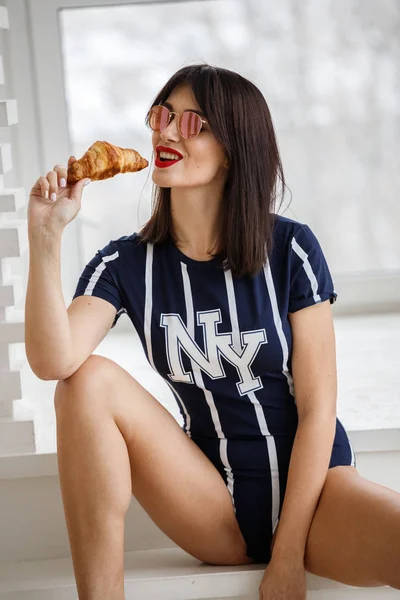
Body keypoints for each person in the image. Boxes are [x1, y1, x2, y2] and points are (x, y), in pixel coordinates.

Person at [26, 64, 400, 600]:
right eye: (162, 114)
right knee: (85, 382)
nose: (167, 131)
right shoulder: (123, 263)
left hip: (318, 499)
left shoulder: (290, 249)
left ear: (233, 148)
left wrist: (289, 556)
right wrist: (45, 236)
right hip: (211, 503)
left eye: (192, 121)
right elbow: (53, 362)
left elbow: (319, 409)